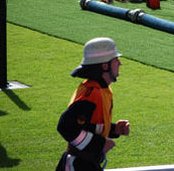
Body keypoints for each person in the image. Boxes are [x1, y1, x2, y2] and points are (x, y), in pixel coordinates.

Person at [56, 37, 130, 170]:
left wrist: (113, 129)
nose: (120, 63)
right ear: (105, 66)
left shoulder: (101, 90)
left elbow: (87, 125)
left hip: (85, 163)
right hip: (78, 165)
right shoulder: (93, 93)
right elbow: (65, 126)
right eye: (116, 60)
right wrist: (99, 144)